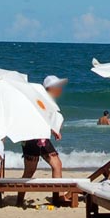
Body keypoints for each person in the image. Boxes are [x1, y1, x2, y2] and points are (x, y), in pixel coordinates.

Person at [18, 75, 66, 206]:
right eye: (58, 86)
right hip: (31, 138)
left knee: (57, 164)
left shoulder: (49, 101)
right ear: (51, 88)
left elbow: (47, 119)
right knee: (29, 171)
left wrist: (54, 129)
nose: (60, 89)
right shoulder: (39, 99)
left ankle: (58, 196)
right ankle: (19, 199)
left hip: (42, 138)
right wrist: (54, 129)